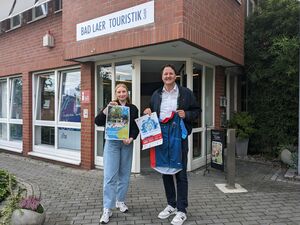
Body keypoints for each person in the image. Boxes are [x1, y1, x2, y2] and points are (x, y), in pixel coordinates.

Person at [144, 64, 200, 225]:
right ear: (162, 77)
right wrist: (148, 111)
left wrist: (187, 114)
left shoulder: (185, 93)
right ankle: (171, 204)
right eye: (165, 74)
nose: (168, 76)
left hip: (178, 138)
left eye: (170, 73)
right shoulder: (156, 94)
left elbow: (197, 111)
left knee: (180, 173)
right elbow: (152, 112)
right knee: (165, 171)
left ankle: (182, 210)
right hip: (161, 138)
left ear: (175, 76)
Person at [95, 83, 139, 224]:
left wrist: (131, 137)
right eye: (119, 92)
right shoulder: (111, 106)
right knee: (110, 176)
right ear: (116, 93)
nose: (121, 94)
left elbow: (135, 127)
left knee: (124, 175)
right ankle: (107, 208)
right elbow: (98, 121)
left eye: (123, 91)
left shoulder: (133, 108)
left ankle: (120, 201)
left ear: (127, 93)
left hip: (126, 144)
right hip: (112, 144)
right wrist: (106, 111)